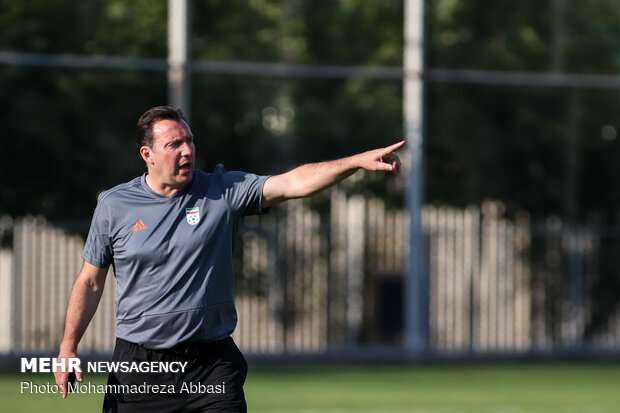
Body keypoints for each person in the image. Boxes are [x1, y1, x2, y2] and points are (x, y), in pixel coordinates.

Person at [54, 105, 404, 412]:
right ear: (148, 154)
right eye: (174, 144)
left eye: (189, 140)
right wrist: (69, 346)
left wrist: (356, 162)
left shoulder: (223, 191)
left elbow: (291, 183)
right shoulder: (115, 205)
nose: (187, 150)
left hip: (211, 364)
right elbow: (90, 280)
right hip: (143, 366)